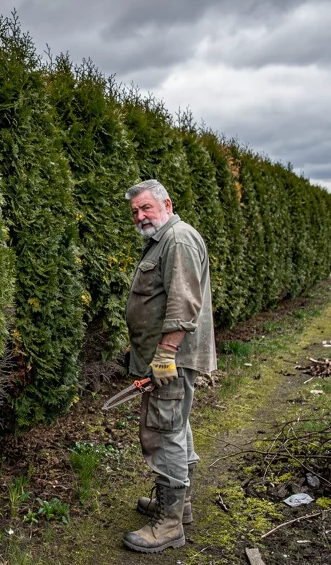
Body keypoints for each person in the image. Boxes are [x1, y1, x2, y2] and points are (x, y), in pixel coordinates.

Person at [122, 179, 216, 553]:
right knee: (176, 425)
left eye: (146, 207)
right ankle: (181, 505)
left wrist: (164, 354)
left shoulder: (176, 240)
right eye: (135, 212)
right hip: (166, 356)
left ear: (166, 204)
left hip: (171, 358)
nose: (141, 216)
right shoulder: (164, 240)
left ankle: (169, 525)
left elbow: (183, 302)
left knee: (163, 431)